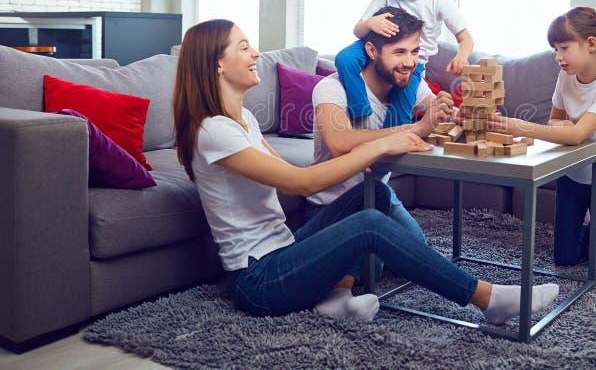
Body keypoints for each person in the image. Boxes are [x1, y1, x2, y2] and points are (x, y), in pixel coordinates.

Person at [173, 19, 559, 325]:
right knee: (370, 225)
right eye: (243, 47)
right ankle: (488, 299)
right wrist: (381, 143)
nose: (256, 52)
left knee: (367, 195)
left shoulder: (241, 120)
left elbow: (289, 172)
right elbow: (302, 183)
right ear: (217, 63)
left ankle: (335, 299)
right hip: (258, 279)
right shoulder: (214, 131)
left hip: (283, 250)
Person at [487, 7, 596, 273]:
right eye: (555, 49)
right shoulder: (565, 77)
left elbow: (577, 134)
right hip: (572, 176)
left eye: (564, 48)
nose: (558, 57)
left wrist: (520, 126)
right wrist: (564, 127)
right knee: (564, 259)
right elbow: (555, 122)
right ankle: (587, 232)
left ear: (590, 44)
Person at [308, 7, 453, 263]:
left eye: (414, 51)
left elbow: (440, 120)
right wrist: (417, 128)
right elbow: (340, 144)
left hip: (380, 194)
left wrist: (447, 111)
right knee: (374, 263)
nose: (409, 62)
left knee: (417, 253)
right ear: (372, 51)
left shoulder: (410, 83)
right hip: (333, 203)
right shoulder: (331, 88)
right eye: (399, 52)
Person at [335, 0, 474, 127]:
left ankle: (396, 136)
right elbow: (358, 30)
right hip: (376, 51)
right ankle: (361, 111)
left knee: (401, 101)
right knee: (345, 58)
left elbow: (466, 38)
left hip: (412, 63)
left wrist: (462, 56)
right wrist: (370, 23)